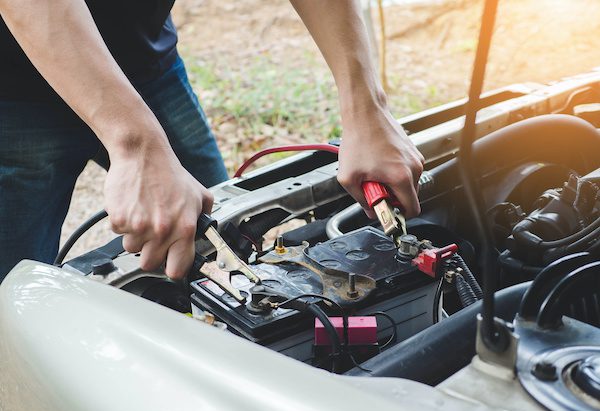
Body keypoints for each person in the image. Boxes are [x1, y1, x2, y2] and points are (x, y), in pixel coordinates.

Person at [0, 0, 424, 282]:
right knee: (13, 297)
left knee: (223, 242)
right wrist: (137, 144)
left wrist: (367, 107)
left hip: (147, 62)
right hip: (13, 94)